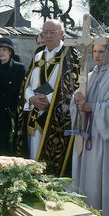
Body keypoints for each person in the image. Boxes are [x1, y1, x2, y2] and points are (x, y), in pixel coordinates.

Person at [15, 19, 80, 176]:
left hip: (55, 116)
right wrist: (31, 98)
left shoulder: (71, 54)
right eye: (45, 32)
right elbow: (27, 83)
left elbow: (72, 85)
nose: (48, 36)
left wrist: (47, 99)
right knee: (32, 158)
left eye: (52, 33)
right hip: (34, 112)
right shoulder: (38, 54)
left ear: (62, 34)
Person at [70, 43, 109, 215]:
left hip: (102, 136)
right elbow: (77, 103)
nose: (97, 55)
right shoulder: (89, 76)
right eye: (94, 51)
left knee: (100, 176)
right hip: (86, 133)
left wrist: (92, 107)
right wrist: (76, 99)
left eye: (101, 51)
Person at [0, 38, 25, 156]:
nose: (1, 52)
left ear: (10, 52)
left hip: (10, 113)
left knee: (9, 145)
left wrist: (15, 109)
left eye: (4, 50)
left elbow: (21, 91)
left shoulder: (18, 68)